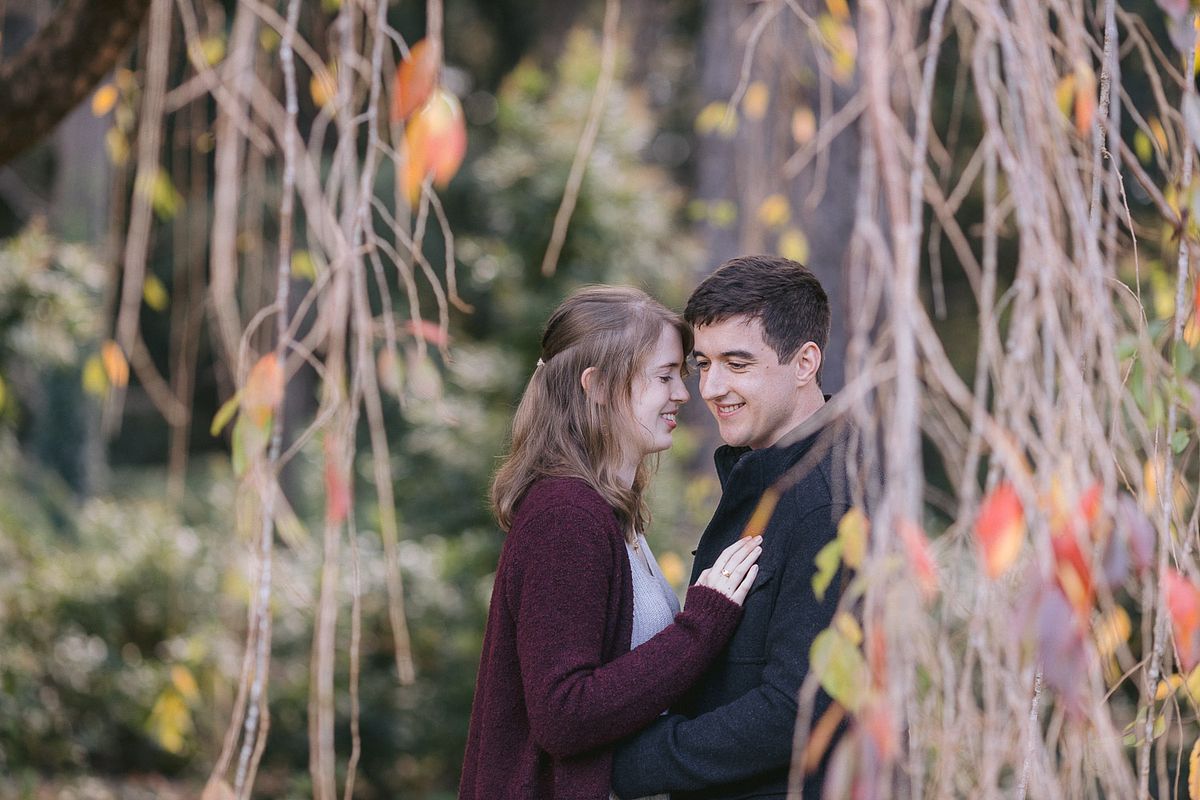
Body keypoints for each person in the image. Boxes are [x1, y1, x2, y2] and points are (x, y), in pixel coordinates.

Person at [459, 285, 765, 800]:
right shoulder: (565, 517)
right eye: (664, 376)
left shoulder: (608, 514)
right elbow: (564, 715)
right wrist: (702, 625)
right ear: (597, 385)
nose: (684, 394)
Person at [610, 255, 851, 800]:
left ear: (805, 362)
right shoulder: (764, 477)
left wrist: (637, 762)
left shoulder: (828, 497)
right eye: (703, 364)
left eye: (737, 364)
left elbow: (800, 704)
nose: (712, 388)